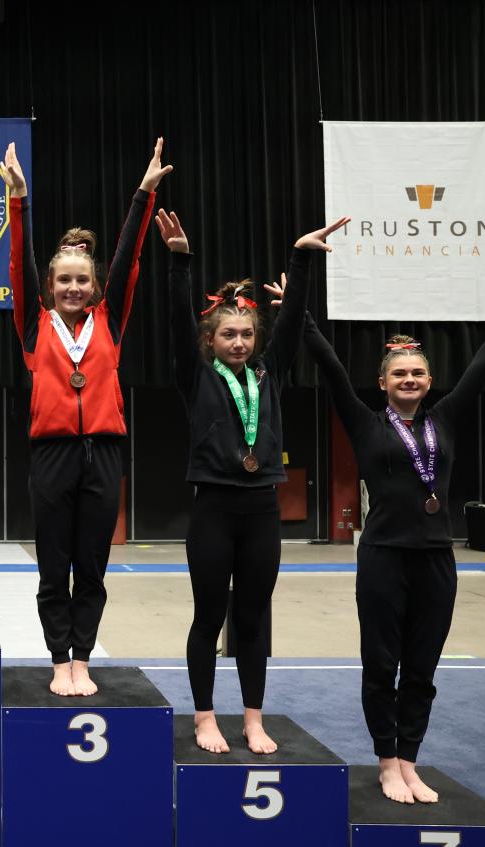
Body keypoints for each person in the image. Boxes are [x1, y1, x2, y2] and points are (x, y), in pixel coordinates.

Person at [301, 266, 485, 803]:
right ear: (384, 382)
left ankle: (411, 759)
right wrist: (296, 302)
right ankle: (386, 761)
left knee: (423, 668)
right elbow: (328, 363)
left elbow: (484, 366)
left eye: (417, 373)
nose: (409, 380)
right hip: (385, 557)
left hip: (437, 558)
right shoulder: (365, 422)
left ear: (429, 381)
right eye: (399, 375)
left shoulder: (446, 419)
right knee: (381, 665)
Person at [156, 207, 350, 754]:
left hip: (262, 509)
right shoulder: (194, 377)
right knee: (208, 614)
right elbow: (176, 320)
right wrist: (180, 263)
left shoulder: (271, 373)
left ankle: (254, 718)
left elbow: (290, 328)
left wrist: (301, 257)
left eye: (246, 335)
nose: (239, 343)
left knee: (253, 619)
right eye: (228, 335)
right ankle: (204, 716)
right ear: (211, 341)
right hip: (215, 509)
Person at [5, 139, 170, 695]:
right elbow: (19, 262)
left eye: (83, 280)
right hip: (51, 454)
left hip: (103, 451)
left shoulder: (111, 322)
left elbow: (129, 257)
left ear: (96, 288)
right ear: (50, 288)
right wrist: (18, 202)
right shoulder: (34, 324)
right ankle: (58, 659)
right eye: (63, 280)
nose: (73, 287)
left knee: (92, 568)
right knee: (55, 567)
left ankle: (83, 658)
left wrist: (143, 196)